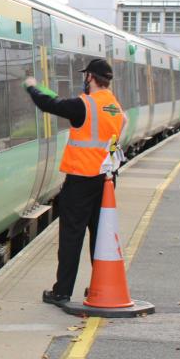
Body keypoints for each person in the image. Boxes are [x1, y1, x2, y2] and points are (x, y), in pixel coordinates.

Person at [23, 58, 127, 307]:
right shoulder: (114, 107)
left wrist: (31, 86)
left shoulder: (85, 105)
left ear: (90, 77)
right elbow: (118, 131)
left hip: (80, 180)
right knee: (99, 237)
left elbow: (51, 104)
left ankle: (62, 291)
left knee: (71, 237)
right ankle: (98, 286)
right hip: (105, 182)